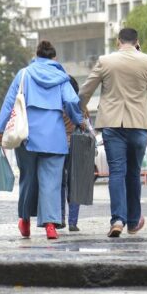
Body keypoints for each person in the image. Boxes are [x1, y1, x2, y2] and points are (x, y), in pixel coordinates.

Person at [0, 41, 84, 240]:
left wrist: (0, 129)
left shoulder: (24, 74)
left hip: (27, 135)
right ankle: (50, 225)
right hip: (54, 137)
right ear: (54, 58)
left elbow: (10, 102)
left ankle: (25, 221)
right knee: (51, 182)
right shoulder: (62, 78)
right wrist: (79, 120)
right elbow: (71, 101)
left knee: (28, 178)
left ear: (36, 55)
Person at [78, 28, 147, 237]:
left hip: (112, 124)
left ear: (118, 42)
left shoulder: (105, 61)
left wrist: (81, 109)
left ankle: (117, 219)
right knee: (134, 173)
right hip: (138, 124)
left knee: (117, 172)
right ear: (137, 41)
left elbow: (85, 91)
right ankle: (133, 222)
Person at [61, 76, 82, 232]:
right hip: (76, 144)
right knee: (74, 183)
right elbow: (84, 123)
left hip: (58, 145)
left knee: (59, 183)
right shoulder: (78, 105)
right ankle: (73, 222)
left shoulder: (55, 103)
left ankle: (59, 217)